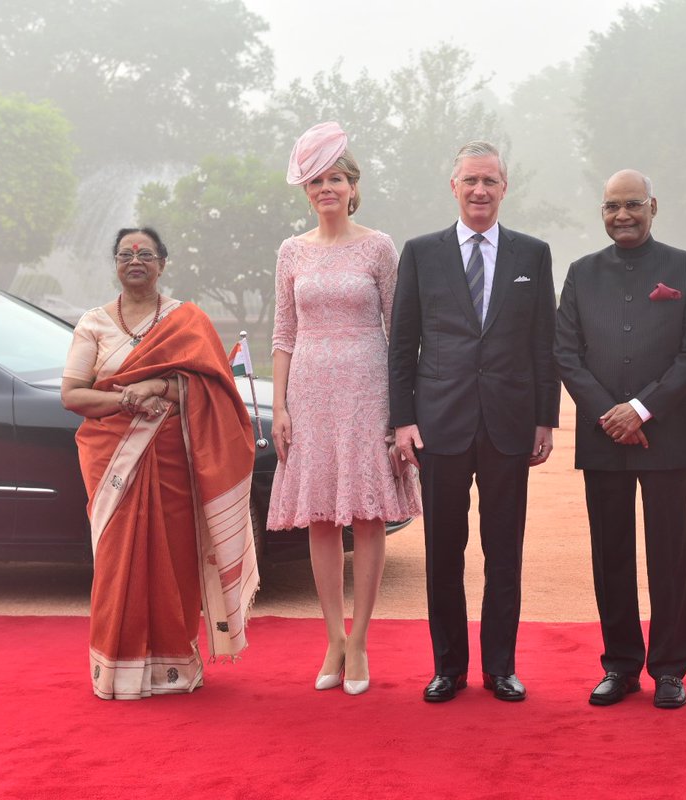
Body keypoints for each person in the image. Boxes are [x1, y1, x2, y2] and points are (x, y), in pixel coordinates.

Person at [388, 140, 560, 703]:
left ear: (504, 188)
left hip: (510, 425)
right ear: (454, 188)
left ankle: (501, 667)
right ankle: (448, 668)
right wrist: (403, 420)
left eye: (490, 181)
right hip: (440, 424)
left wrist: (544, 419)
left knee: (503, 549)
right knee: (444, 549)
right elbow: (403, 342)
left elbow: (543, 342)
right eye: (470, 181)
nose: (480, 190)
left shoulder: (531, 255)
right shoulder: (421, 252)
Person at [61, 227, 259, 700]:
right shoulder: (93, 323)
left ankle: (173, 666)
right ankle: (117, 671)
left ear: (162, 263)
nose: (135, 260)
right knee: (116, 562)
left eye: (145, 253)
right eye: (126, 254)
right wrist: (126, 402)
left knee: (173, 559)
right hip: (114, 462)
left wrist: (155, 387)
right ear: (115, 263)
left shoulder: (186, 320)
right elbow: (72, 395)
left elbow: (214, 390)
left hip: (172, 462)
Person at [266, 122, 422, 696]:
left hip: (366, 390)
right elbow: (284, 333)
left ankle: (360, 640)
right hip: (308, 393)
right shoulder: (290, 252)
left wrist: (400, 408)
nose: (325, 188)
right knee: (322, 517)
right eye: (315, 181)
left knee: (367, 515)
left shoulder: (379, 247)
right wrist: (280, 408)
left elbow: (398, 331)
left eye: (335, 178)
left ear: (353, 186)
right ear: (306, 191)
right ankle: (331, 636)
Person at [554, 170, 686, 709]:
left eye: (633, 205)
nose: (622, 215)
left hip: (666, 433)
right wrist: (608, 413)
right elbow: (566, 355)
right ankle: (620, 665)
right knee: (611, 553)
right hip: (602, 437)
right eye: (612, 206)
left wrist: (640, 409)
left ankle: (670, 668)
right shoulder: (581, 273)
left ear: (653, 207)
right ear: (602, 211)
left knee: (670, 555)